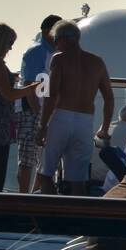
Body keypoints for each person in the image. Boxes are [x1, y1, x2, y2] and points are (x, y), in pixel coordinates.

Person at [35, 19, 113, 195]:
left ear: (62, 39)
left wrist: (42, 126)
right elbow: (109, 97)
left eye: (55, 41)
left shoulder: (59, 59)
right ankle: (75, 219)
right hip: (85, 121)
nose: (55, 45)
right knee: (78, 179)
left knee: (46, 174)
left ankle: (48, 218)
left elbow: (52, 95)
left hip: (61, 117)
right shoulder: (97, 62)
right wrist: (105, 127)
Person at [14, 14, 60, 193]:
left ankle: (34, 194)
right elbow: (29, 85)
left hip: (46, 111)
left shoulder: (53, 53)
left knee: (44, 157)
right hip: (32, 111)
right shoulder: (36, 52)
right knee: (27, 156)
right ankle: (24, 196)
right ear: (47, 31)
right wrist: (38, 114)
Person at [0, 24, 41, 192]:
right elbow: (7, 94)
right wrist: (31, 88)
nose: (11, 47)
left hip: (0, 122)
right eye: (10, 43)